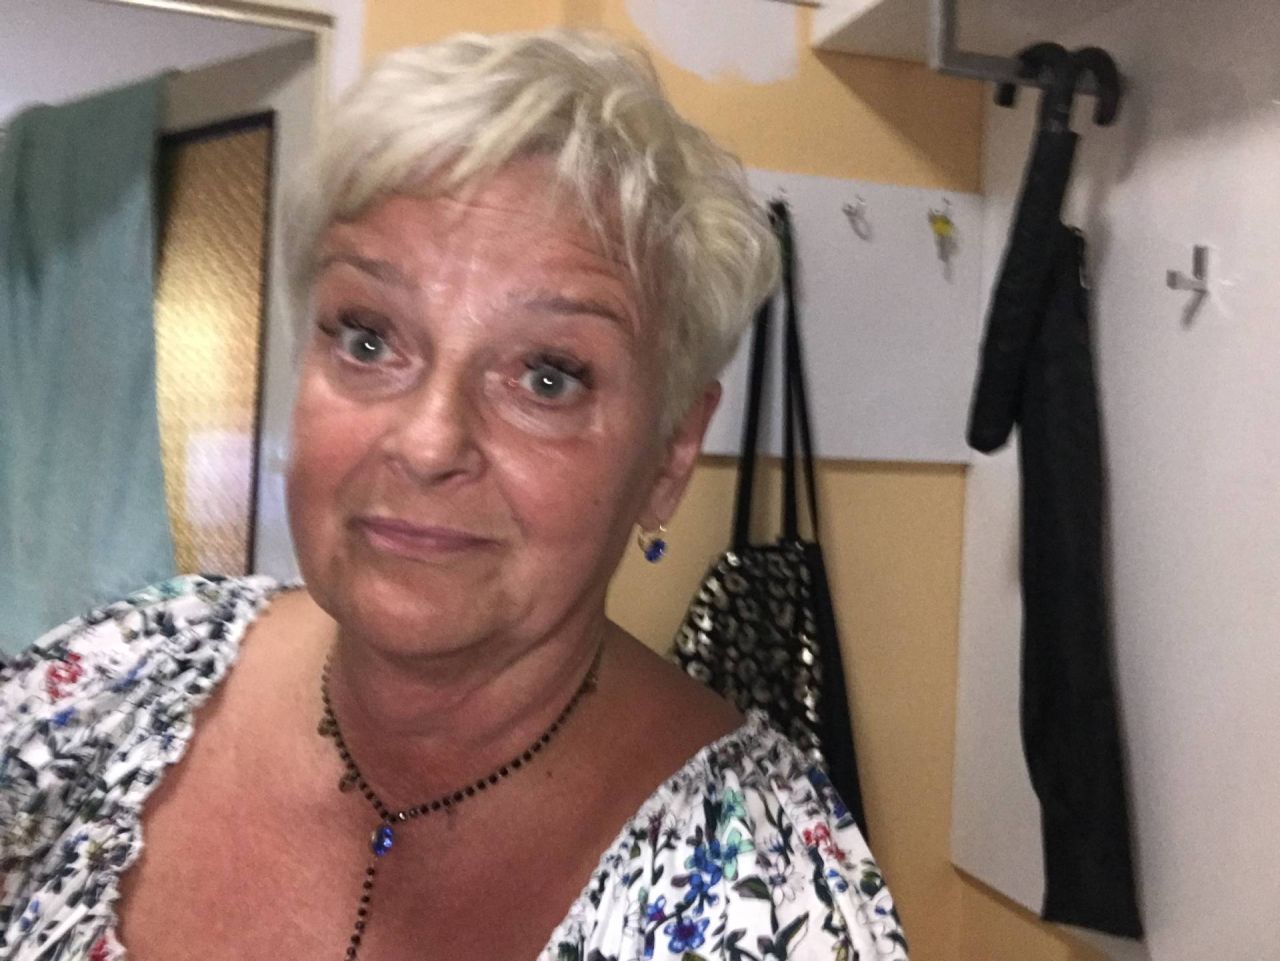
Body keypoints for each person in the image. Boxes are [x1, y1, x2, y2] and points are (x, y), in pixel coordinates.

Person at [0, 29, 908, 961]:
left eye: (547, 377)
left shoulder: (777, 902)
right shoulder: (121, 676)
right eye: (368, 337)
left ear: (671, 454)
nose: (428, 443)